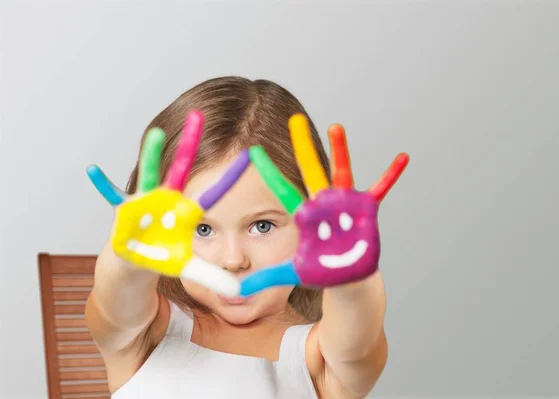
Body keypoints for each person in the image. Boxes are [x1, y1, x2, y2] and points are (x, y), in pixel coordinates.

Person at [85, 76, 389, 398]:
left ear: (310, 228)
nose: (233, 260)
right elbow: (114, 304)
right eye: (202, 229)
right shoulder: (146, 334)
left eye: (262, 226)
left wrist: (352, 279)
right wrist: (126, 260)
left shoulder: (320, 361)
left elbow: (359, 342)